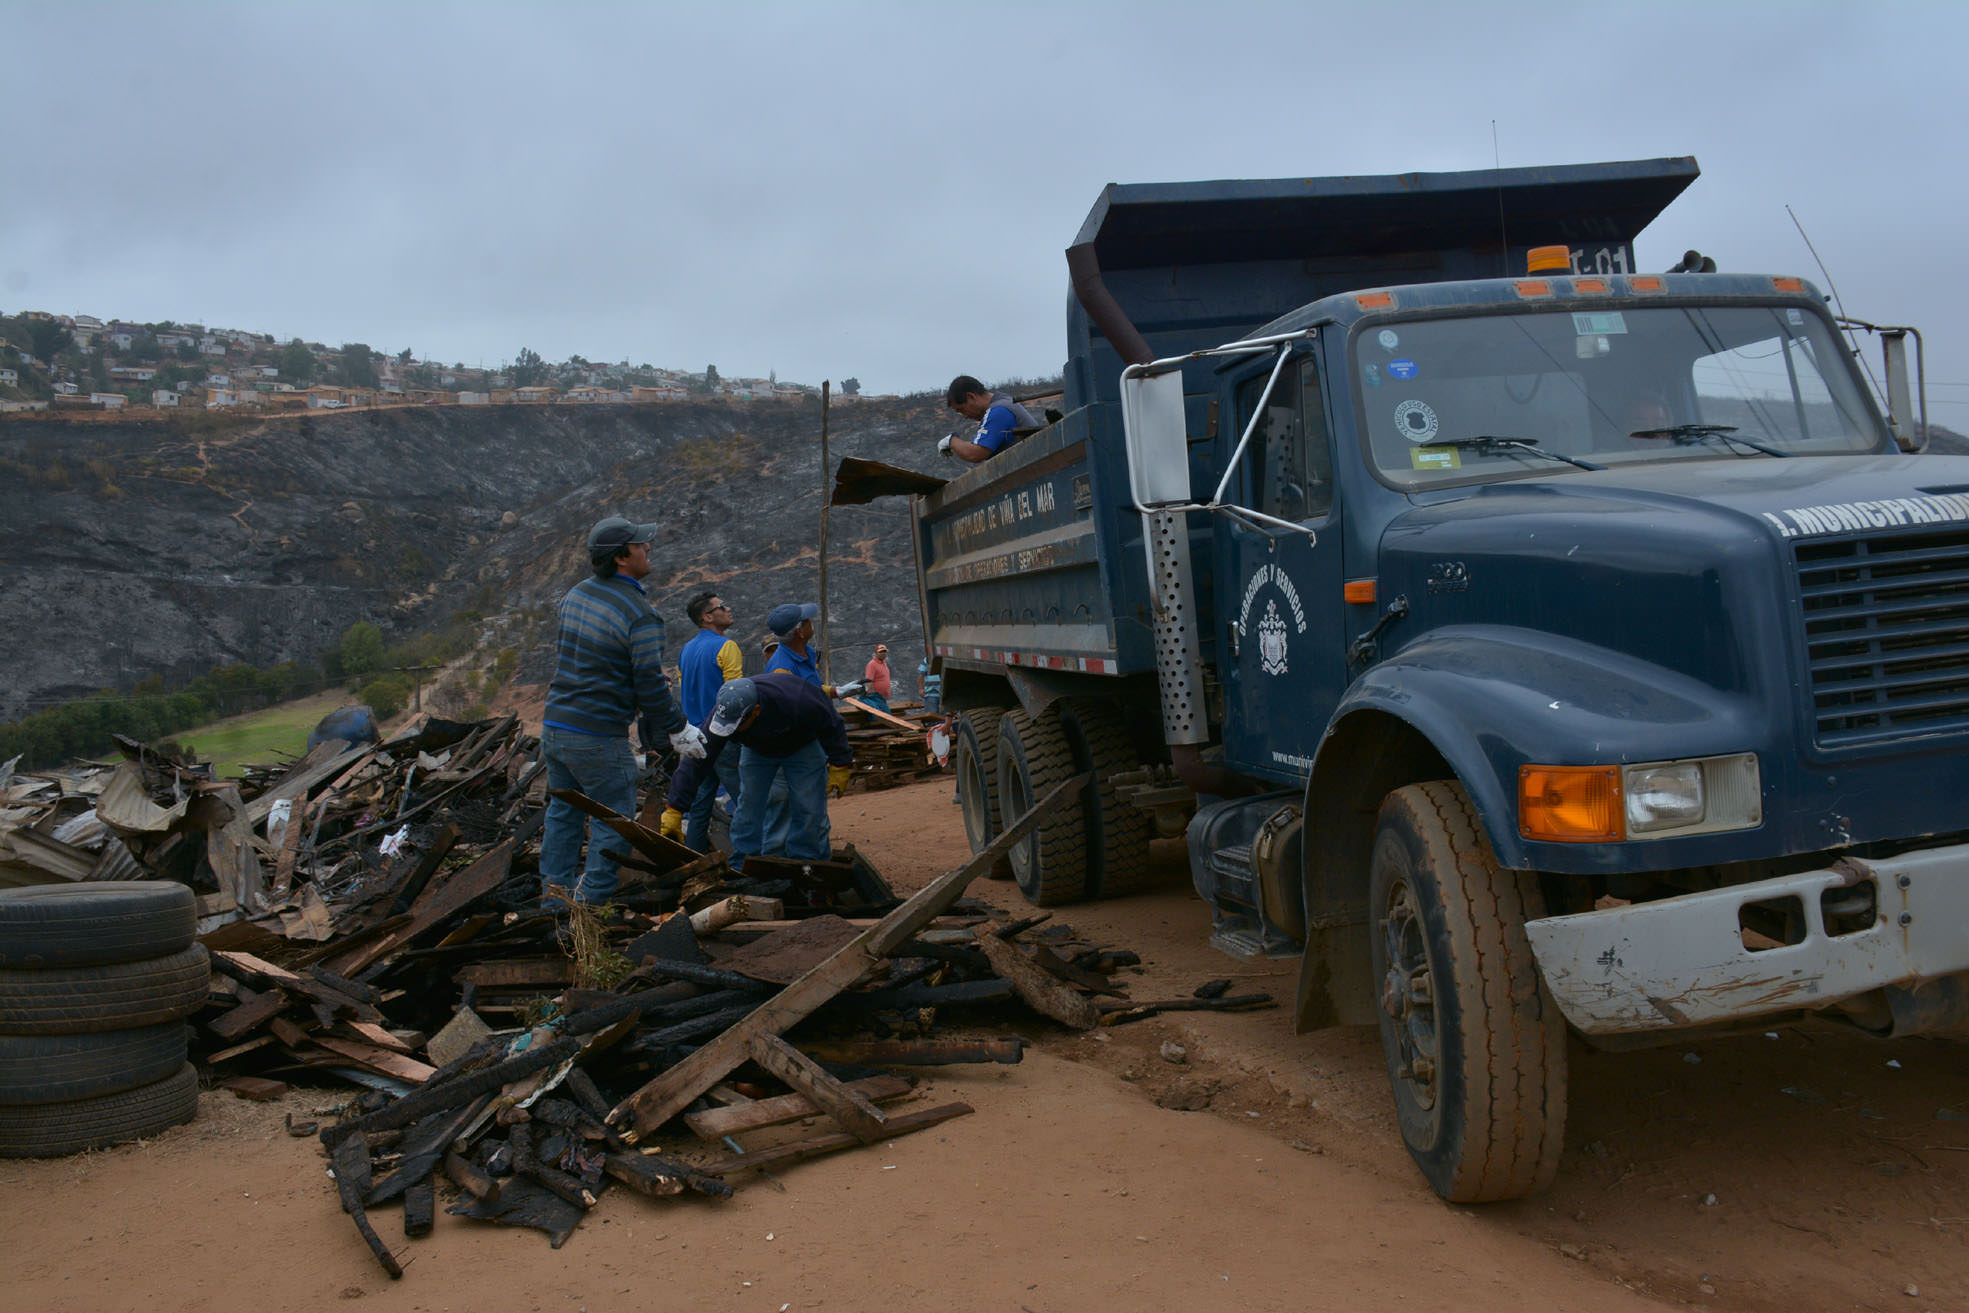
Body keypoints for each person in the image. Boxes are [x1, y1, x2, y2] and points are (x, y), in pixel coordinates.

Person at [538, 516, 705, 906]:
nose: (648, 548)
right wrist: (678, 727)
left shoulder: (575, 595)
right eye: (640, 544)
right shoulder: (640, 614)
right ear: (620, 558)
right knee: (613, 820)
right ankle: (590, 908)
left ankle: (554, 901)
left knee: (563, 814)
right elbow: (647, 682)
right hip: (597, 735)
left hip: (555, 726)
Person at [705, 676, 852, 868]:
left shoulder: (799, 700)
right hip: (757, 750)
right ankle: (744, 864)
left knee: (808, 806)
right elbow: (699, 759)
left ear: (755, 711)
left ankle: (808, 865)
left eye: (738, 725)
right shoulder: (728, 712)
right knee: (749, 805)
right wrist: (674, 808)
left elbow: (832, 723)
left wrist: (840, 764)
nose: (732, 731)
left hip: (802, 745)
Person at [677, 591, 744, 853]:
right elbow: (735, 697)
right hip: (723, 736)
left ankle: (696, 859)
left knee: (700, 804)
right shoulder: (726, 647)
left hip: (695, 738)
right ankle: (746, 859)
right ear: (707, 617)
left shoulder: (685, 650)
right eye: (721, 606)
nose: (728, 609)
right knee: (745, 800)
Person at [937, 375, 1045, 464]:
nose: (965, 416)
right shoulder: (1005, 401)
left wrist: (951, 441)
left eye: (961, 410)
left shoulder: (998, 410)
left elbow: (975, 453)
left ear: (971, 397)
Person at [860, 644, 893, 713]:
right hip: (876, 696)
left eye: (884, 651)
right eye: (880, 651)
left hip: (882, 697)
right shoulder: (872, 664)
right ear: (876, 653)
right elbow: (869, 681)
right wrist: (873, 696)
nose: (883, 653)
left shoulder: (884, 664)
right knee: (885, 715)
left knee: (885, 715)